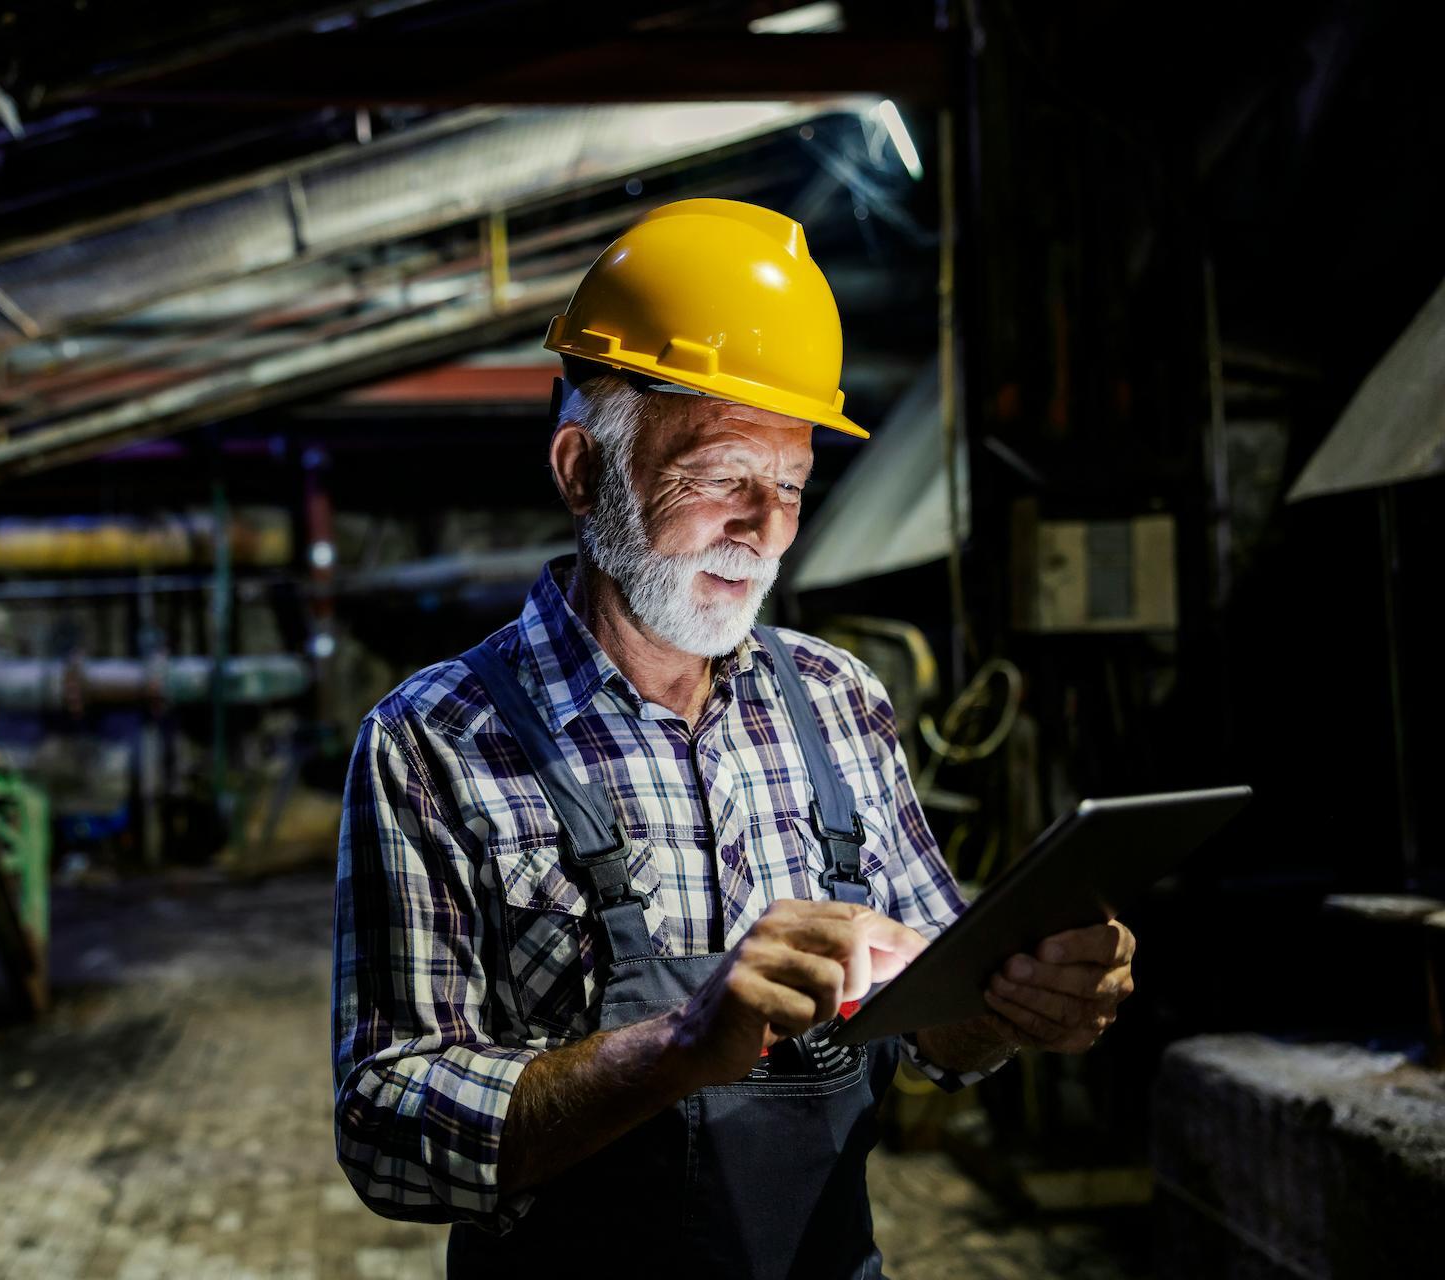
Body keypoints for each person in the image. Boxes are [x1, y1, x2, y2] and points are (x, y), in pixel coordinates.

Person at [330, 199, 1135, 1278]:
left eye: (790, 489)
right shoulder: (432, 743)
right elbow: (387, 1126)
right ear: (582, 471)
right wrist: (671, 1050)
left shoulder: (840, 700)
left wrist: (1020, 997)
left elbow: (941, 1020)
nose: (761, 530)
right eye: (719, 479)